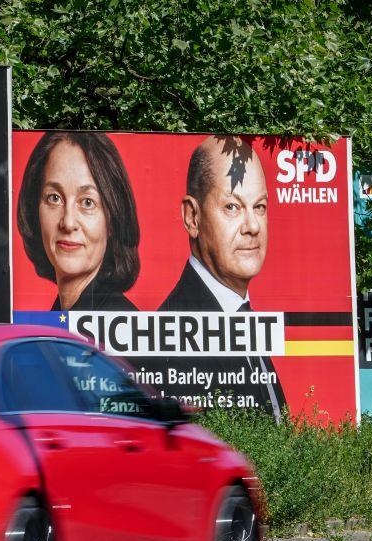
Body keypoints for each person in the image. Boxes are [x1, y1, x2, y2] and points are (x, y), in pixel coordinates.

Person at [158, 135, 287, 417]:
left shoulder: (243, 314)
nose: (252, 226)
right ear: (193, 217)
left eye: (260, 207)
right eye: (232, 207)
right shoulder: (176, 326)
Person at [16, 131, 140, 311]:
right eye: (54, 198)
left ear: (112, 219)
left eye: (87, 202)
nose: (68, 223)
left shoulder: (118, 325)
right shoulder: (61, 314)